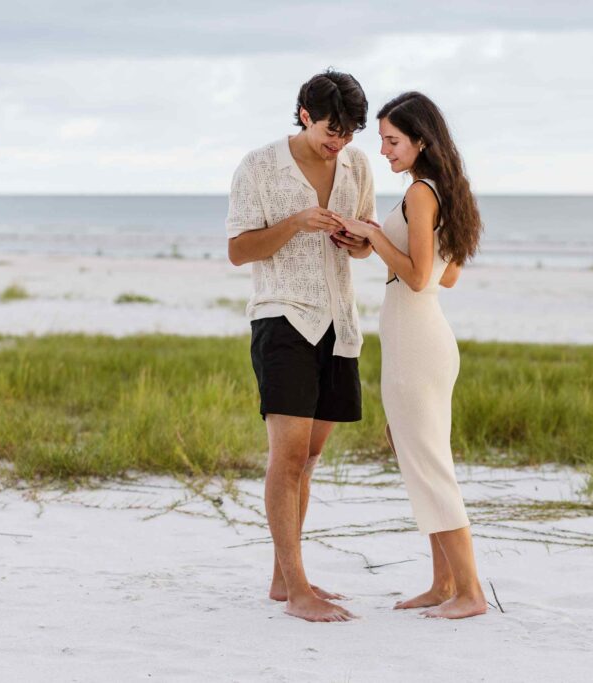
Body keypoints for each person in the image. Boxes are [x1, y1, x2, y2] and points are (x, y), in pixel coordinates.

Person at [225, 70, 376, 623]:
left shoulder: (357, 165)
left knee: (309, 459)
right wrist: (294, 223)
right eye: (331, 132)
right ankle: (299, 589)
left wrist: (356, 239)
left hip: (341, 324)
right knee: (286, 458)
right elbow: (239, 251)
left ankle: (281, 579)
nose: (339, 144)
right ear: (305, 114)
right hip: (282, 319)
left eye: (350, 134)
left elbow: (363, 248)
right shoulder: (259, 166)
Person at [337, 91, 487, 619]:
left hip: (417, 342)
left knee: (428, 464)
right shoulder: (441, 191)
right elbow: (448, 271)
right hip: (424, 339)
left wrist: (373, 237)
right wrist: (375, 240)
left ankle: (470, 593)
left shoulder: (421, 194)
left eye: (392, 140)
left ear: (421, 140)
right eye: (381, 139)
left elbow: (421, 278)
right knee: (421, 461)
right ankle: (443, 583)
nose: (383, 150)